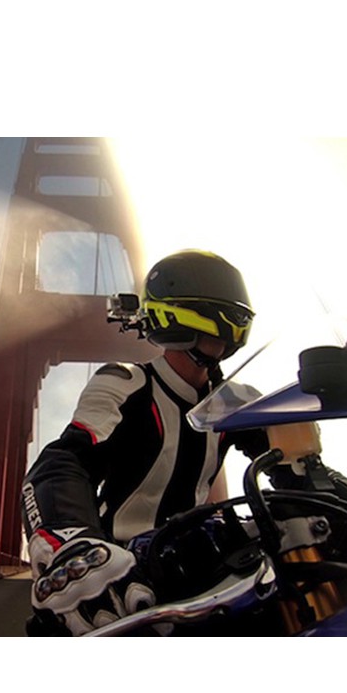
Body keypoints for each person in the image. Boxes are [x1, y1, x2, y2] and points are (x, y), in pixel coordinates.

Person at [20, 249, 267, 636]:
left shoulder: (237, 401)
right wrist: (72, 543)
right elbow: (65, 461)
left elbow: (292, 460)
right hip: (123, 571)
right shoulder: (126, 382)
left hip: (208, 558)